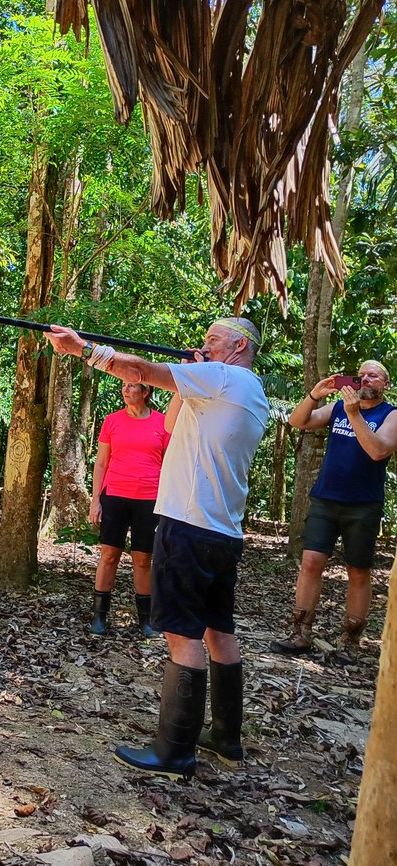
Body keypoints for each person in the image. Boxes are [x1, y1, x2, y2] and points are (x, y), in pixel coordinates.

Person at [45, 317, 269, 779]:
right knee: (218, 631)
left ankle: (174, 752)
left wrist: (86, 350)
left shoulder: (223, 376)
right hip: (223, 531)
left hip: (187, 526)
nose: (203, 345)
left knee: (182, 634)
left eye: (212, 339)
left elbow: (143, 371)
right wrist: (186, 382)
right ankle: (226, 737)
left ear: (238, 346)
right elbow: (170, 421)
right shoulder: (250, 393)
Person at [271, 361, 396, 664]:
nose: (366, 378)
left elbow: (378, 451)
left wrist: (355, 415)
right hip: (326, 499)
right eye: (361, 374)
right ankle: (300, 632)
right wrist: (315, 395)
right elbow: (297, 421)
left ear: (385, 384)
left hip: (363, 505)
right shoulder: (338, 408)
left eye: (374, 375)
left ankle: (351, 640)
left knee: (358, 570)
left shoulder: (390, 415)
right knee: (311, 562)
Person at [89, 381, 170, 638]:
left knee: (143, 559)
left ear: (146, 392)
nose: (125, 390)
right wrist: (95, 500)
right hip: (114, 495)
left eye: (132, 386)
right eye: (123, 385)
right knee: (109, 555)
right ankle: (99, 617)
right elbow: (101, 463)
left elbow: (170, 464)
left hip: (150, 499)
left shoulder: (163, 422)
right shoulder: (112, 421)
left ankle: (145, 620)